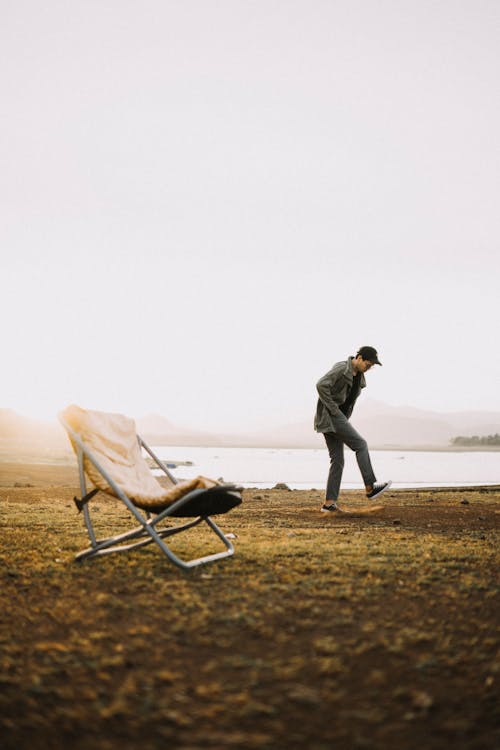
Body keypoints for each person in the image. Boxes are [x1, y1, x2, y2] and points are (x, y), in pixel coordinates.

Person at [314, 346, 392, 512]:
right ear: (359, 357)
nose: (369, 368)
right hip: (332, 418)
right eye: (368, 364)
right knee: (360, 445)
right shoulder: (342, 368)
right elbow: (321, 385)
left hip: (334, 420)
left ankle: (329, 504)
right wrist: (334, 410)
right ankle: (370, 487)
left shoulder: (360, 376)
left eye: (371, 366)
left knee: (337, 461)